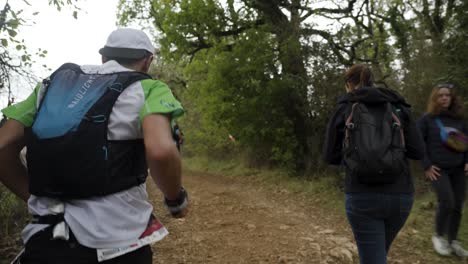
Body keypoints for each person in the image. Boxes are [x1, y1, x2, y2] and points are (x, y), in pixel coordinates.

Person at [0, 28, 188, 264]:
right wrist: (175, 199)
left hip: (46, 239)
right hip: (120, 242)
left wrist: (36, 196)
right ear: (148, 61)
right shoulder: (149, 88)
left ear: (103, 58)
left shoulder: (52, 85)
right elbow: (161, 151)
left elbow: (2, 145)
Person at [323, 64, 425, 264]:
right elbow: (418, 151)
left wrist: (356, 156)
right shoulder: (397, 106)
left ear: (348, 85)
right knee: (377, 254)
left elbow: (330, 156)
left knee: (373, 257)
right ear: (373, 80)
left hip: (362, 196)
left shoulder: (344, 108)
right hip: (400, 196)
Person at [417, 83, 468, 257]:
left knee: (458, 205)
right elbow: (418, 143)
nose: (444, 98)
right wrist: (426, 165)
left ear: (452, 98)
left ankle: (453, 241)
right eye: (441, 95)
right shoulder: (427, 119)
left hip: (459, 169)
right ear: (435, 99)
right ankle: (439, 236)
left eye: (447, 95)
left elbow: (466, 142)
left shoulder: (460, 119)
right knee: (447, 201)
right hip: (438, 170)